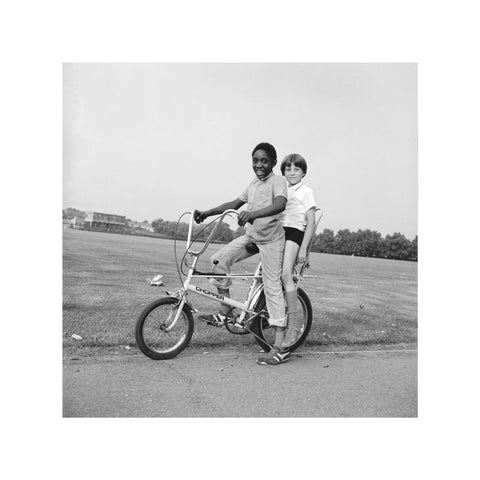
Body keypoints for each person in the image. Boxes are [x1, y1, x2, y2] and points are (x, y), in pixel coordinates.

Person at [193, 142, 291, 365]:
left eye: (264, 160)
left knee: (272, 285)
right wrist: (207, 213)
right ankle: (226, 313)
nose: (259, 164)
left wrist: (253, 214)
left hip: (272, 241)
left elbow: (280, 205)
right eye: (255, 160)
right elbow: (235, 203)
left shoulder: (278, 181)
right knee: (218, 259)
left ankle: (280, 347)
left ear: (274, 162)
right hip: (252, 237)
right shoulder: (254, 184)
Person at [279, 153, 317, 348]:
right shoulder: (282, 189)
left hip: (294, 234)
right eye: (288, 169)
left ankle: (293, 327)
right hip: (278, 234)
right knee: (268, 276)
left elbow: (311, 222)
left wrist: (304, 249)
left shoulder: (306, 191)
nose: (292, 172)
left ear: (303, 172)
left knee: (286, 274)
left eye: (296, 169)